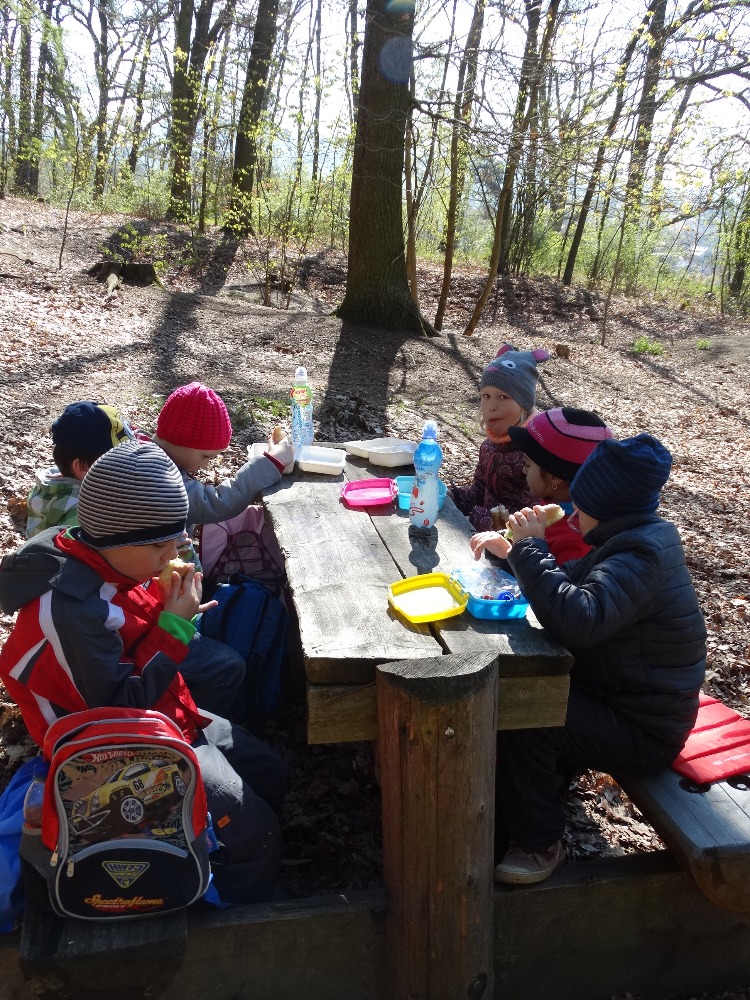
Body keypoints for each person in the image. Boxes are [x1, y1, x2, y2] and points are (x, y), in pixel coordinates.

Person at [0, 440, 285, 904]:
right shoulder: (71, 611)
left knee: (269, 771)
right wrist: (173, 627)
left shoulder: (115, 566)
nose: (173, 551)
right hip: (111, 753)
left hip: (164, 713)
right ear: (116, 538)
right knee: (256, 833)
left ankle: (213, 851)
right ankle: (228, 913)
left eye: (177, 538)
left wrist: (170, 608)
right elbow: (120, 707)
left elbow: (132, 639)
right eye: (159, 544)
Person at [492, 433, 707, 885]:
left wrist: (531, 549)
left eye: (582, 506)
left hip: (644, 728)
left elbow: (579, 620)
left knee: (530, 709)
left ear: (609, 508)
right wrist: (514, 554)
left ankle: (538, 843)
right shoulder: (629, 540)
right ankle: (515, 813)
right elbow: (567, 582)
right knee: (532, 695)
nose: (571, 515)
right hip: (617, 697)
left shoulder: (642, 555)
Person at [152, 382, 294, 585]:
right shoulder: (159, 479)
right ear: (180, 440)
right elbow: (217, 503)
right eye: (205, 456)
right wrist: (271, 463)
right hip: (162, 579)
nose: (206, 465)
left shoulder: (151, 453)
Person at [469, 407, 614, 566]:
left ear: (555, 478)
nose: (523, 470)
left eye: (528, 464)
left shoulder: (576, 539)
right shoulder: (552, 504)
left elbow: (554, 581)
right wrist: (506, 553)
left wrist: (528, 545)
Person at [450, 344, 550, 532]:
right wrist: (455, 498)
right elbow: (479, 491)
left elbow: (531, 519)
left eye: (503, 397)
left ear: (523, 404)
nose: (491, 406)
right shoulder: (489, 445)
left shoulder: (533, 454)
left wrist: (478, 517)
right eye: (486, 396)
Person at [26, 401, 136, 538]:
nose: (131, 466)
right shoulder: (85, 515)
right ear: (82, 467)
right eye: (120, 462)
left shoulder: (54, 487)